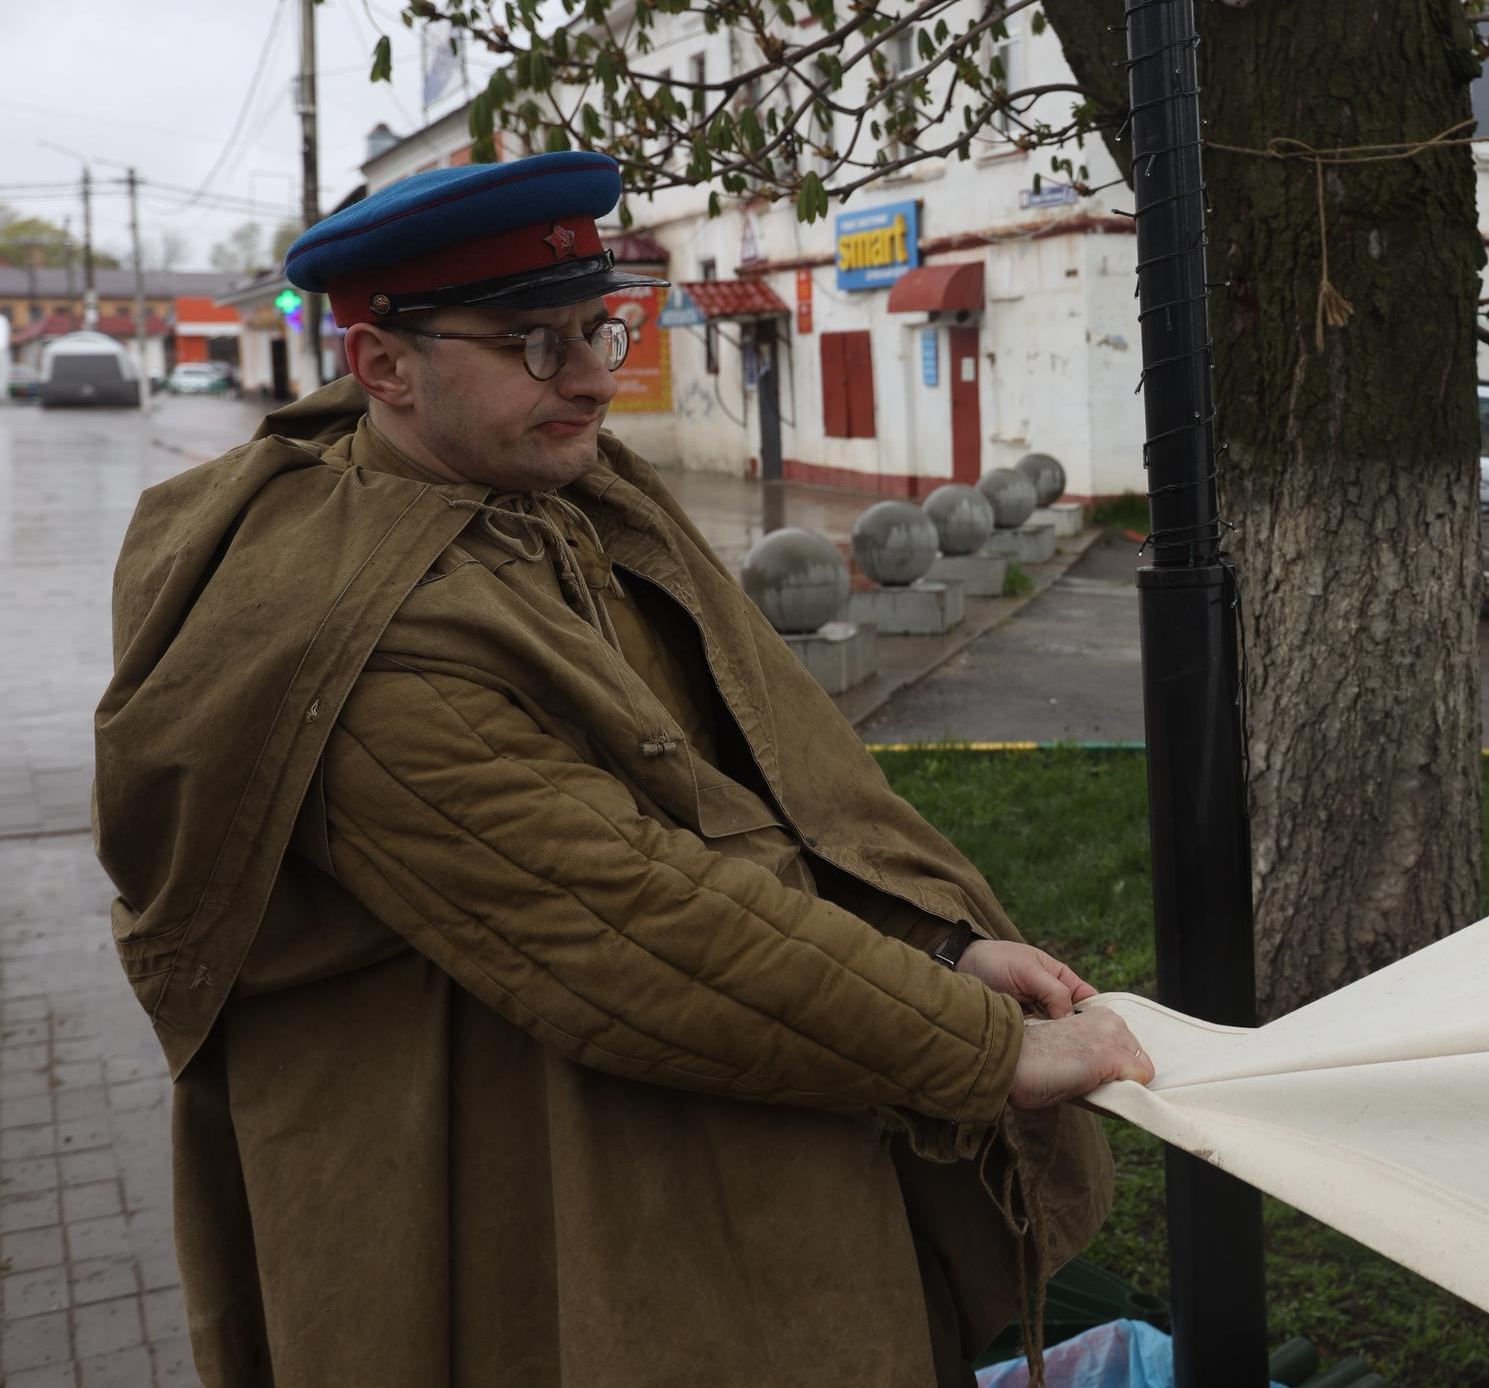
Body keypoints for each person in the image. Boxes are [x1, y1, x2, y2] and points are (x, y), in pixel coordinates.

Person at [91, 150, 1146, 1388]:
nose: (594, 377)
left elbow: (757, 774)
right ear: (382, 365)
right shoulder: (351, 639)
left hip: (672, 1121)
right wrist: (984, 1050)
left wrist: (934, 943)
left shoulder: (558, 498)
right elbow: (629, 920)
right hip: (495, 1196)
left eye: (598, 327)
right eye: (535, 343)